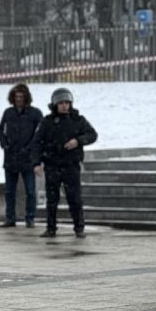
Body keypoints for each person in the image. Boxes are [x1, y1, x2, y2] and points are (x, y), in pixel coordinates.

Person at [33, 86, 97, 238]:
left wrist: (78, 141)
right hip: (52, 165)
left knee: (75, 199)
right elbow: (37, 143)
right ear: (55, 104)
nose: (64, 106)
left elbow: (92, 135)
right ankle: (51, 228)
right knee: (52, 200)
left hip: (71, 165)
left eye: (67, 103)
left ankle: (79, 228)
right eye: (61, 103)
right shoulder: (47, 122)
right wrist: (36, 163)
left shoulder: (78, 120)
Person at [0, 82, 44, 228]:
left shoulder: (35, 113)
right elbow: (0, 130)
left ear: (26, 98)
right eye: (16, 96)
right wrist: (5, 145)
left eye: (21, 97)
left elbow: (40, 133)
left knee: (30, 191)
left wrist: (30, 148)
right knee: (9, 191)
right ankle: (10, 218)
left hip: (28, 158)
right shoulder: (8, 113)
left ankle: (30, 218)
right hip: (11, 157)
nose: (19, 99)